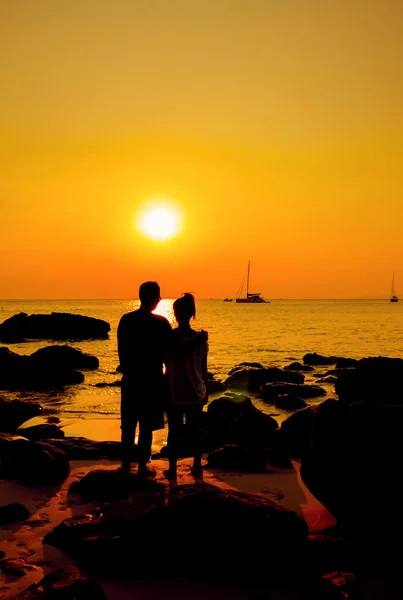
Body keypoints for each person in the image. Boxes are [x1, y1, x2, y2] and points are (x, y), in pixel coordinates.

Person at [117, 282, 207, 478]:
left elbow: (122, 351)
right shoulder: (160, 323)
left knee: (129, 424)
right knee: (146, 426)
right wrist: (199, 339)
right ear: (156, 300)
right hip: (152, 381)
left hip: (131, 379)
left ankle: (125, 465)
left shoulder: (126, 320)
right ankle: (142, 466)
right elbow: (177, 348)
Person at [165, 293, 208, 478]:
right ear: (192, 314)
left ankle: (173, 468)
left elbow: (167, 360)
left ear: (175, 314)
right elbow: (204, 368)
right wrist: (207, 389)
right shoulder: (200, 339)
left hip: (174, 390)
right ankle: (196, 465)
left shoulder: (170, 338)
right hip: (196, 390)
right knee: (195, 430)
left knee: (174, 430)